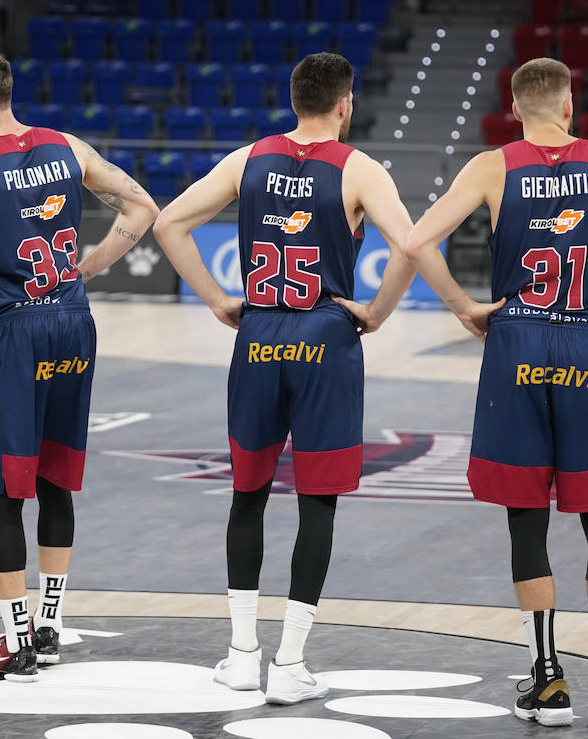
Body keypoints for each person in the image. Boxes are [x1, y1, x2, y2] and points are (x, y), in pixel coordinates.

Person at [404, 58, 588, 727]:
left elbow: (417, 241)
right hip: (586, 344)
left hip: (517, 345)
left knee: (525, 515)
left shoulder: (491, 166)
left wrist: (466, 309)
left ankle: (547, 679)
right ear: (568, 106)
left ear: (515, 108)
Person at [154, 52, 416, 705]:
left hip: (259, 332)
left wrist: (218, 298)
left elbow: (168, 224)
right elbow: (411, 245)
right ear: (344, 104)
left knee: (248, 495)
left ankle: (242, 654)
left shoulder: (248, 160)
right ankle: (289, 663)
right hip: (325, 335)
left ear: (294, 100)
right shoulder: (358, 168)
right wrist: (378, 312)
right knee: (315, 500)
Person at [0, 51, 159, 682]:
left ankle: (15, 640)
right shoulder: (67, 147)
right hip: (73, 322)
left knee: (7, 487)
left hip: (16, 326)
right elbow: (142, 208)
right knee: (56, 477)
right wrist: (90, 265)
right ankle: (49, 628)